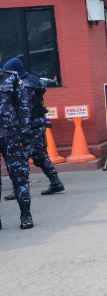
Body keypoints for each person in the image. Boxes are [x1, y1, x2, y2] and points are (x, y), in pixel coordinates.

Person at [3, 58, 64, 201]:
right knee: (39, 154)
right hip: (38, 123)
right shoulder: (33, 81)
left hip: (28, 126)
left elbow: (24, 110)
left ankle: (20, 189)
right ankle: (55, 182)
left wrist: (22, 129)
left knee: (20, 158)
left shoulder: (24, 87)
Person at [0, 62, 33, 229]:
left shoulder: (11, 77)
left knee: (19, 175)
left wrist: (26, 131)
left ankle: (25, 214)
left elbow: (23, 105)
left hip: (11, 135)